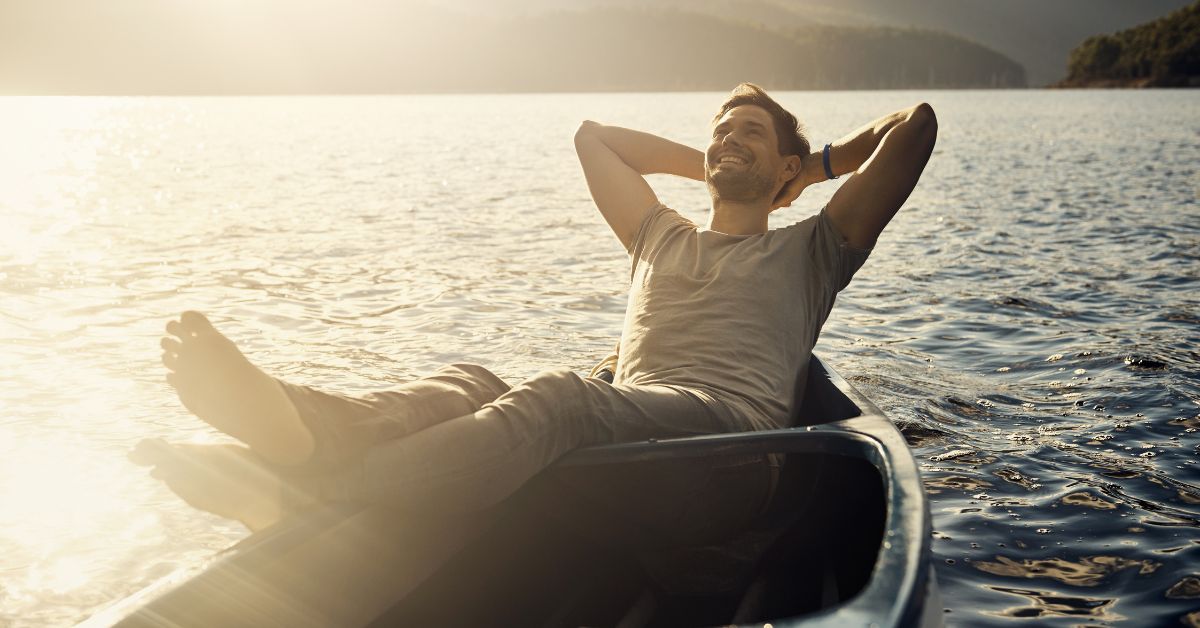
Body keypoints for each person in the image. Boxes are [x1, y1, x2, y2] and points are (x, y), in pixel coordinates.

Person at [132, 84, 937, 534]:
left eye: (750, 134)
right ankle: (307, 424)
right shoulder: (660, 235)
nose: (728, 140)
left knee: (562, 397)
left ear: (789, 163)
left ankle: (317, 486)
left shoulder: (812, 249)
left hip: (727, 456)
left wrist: (818, 165)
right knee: (474, 379)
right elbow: (595, 139)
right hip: (633, 432)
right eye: (719, 131)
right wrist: (720, 158)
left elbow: (916, 127)